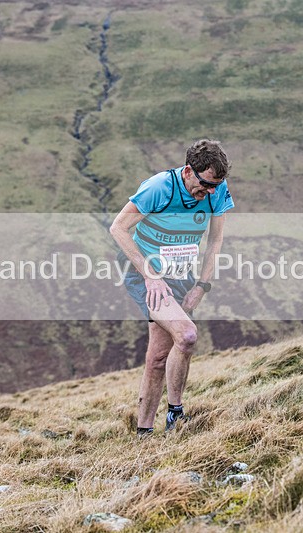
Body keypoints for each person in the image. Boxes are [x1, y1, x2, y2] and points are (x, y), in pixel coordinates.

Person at [110, 139, 234, 435]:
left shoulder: (216, 190)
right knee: (187, 334)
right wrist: (151, 275)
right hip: (144, 272)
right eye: (206, 184)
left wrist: (201, 285)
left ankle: (144, 432)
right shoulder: (159, 187)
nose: (211, 193)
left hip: (181, 274)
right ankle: (176, 415)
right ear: (189, 171)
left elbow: (215, 240)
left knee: (157, 357)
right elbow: (118, 227)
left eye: (217, 186)